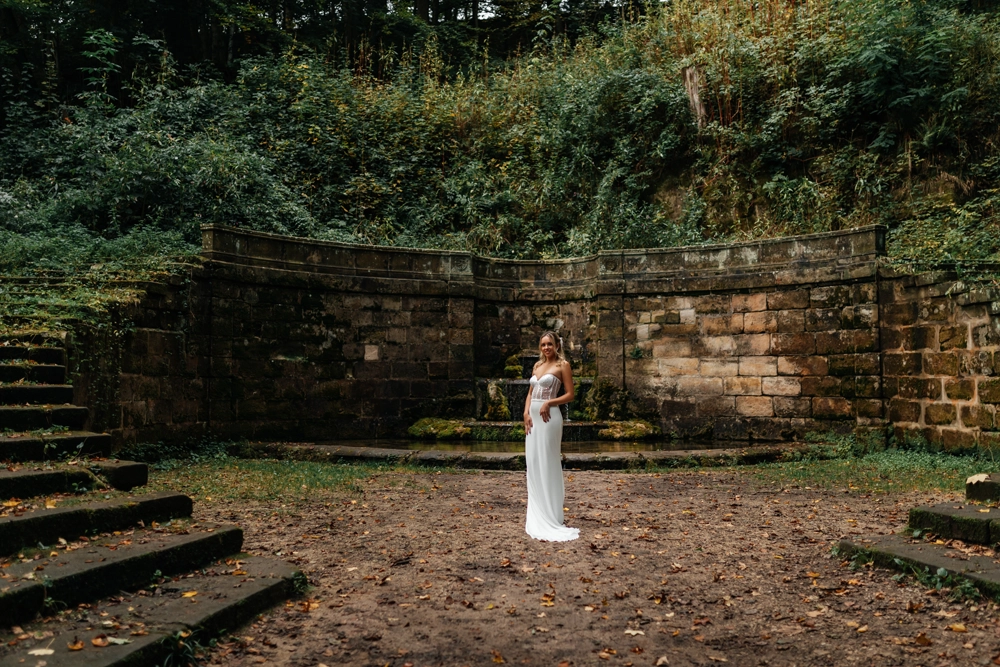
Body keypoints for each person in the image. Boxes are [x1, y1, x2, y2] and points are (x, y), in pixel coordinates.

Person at [523, 331, 580, 542]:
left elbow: (570, 394)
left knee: (548, 462)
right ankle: (537, 512)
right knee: (534, 461)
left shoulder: (562, 365)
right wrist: (525, 413)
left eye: (549, 344)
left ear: (557, 345)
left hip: (549, 419)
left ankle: (552, 515)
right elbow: (530, 393)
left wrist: (549, 402)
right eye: (543, 345)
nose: (546, 348)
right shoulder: (537, 367)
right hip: (533, 420)